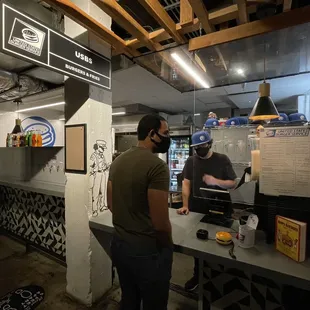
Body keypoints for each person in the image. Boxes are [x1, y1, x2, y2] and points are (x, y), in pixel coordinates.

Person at [107, 114, 173, 310]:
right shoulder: (157, 166)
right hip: (147, 252)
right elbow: (161, 223)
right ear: (152, 134)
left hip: (119, 246)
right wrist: (167, 248)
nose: (168, 137)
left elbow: (110, 204)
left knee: (129, 300)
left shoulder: (117, 161)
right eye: (166, 133)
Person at [177, 131, 237, 291]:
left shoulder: (222, 159)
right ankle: (198, 276)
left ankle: (221, 279)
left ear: (210, 144)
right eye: (196, 147)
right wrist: (185, 205)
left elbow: (233, 183)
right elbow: (186, 183)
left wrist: (215, 181)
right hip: (198, 209)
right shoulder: (191, 161)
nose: (199, 149)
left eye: (202, 146)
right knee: (198, 244)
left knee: (222, 245)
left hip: (221, 208)